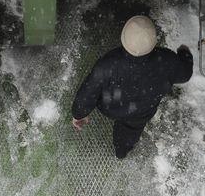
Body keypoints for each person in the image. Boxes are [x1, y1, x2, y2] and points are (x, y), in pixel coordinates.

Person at [71, 15, 193, 159]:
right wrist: (185, 54)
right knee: (130, 133)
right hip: (141, 112)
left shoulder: (108, 64)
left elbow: (88, 92)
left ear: (123, 38)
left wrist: (79, 114)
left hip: (111, 107)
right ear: (154, 41)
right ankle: (121, 151)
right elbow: (185, 74)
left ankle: (121, 145)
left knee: (118, 112)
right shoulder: (167, 60)